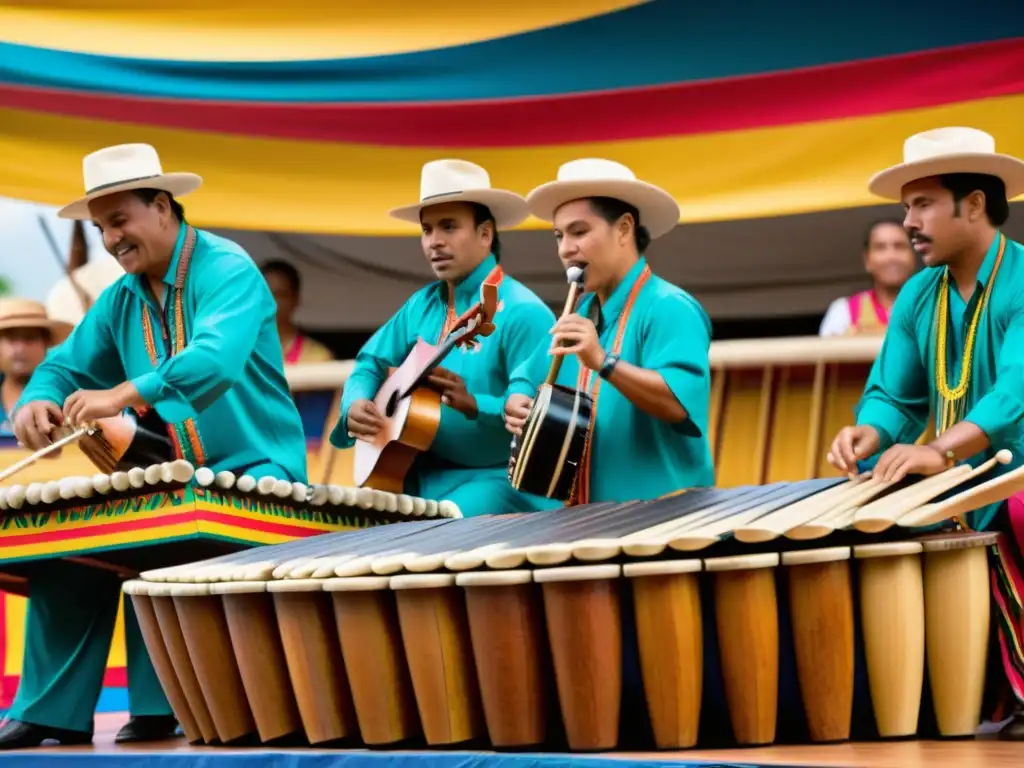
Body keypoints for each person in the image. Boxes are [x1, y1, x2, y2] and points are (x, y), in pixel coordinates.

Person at [3, 143, 308, 748]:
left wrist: (119, 394)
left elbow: (212, 361)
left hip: (261, 470)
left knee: (165, 534)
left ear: (163, 207)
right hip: (175, 477)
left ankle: (161, 704)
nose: (111, 239)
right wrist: (33, 401)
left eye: (120, 220)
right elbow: (62, 366)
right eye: (100, 227)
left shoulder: (229, 268)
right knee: (77, 541)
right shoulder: (121, 297)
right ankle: (48, 710)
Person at [825, 127, 1024, 739]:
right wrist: (869, 432)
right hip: (968, 478)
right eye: (906, 207)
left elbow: (1015, 396)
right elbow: (895, 395)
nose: (909, 221)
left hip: (1010, 482)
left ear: (975, 205)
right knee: (868, 514)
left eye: (923, 204)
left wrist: (938, 449)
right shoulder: (918, 292)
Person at [331, 159, 555, 516]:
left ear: (485, 234)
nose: (434, 242)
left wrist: (476, 404)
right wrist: (354, 404)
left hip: (499, 481)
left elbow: (539, 421)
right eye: (427, 229)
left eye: (449, 227)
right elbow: (369, 362)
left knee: (429, 537)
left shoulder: (523, 311)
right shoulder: (422, 304)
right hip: (416, 473)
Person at [503, 159, 714, 504]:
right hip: (586, 525)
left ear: (624, 229)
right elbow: (526, 374)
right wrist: (516, 400)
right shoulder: (581, 311)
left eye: (579, 231)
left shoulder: (669, 306)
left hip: (664, 521)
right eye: (559, 235)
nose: (564, 249)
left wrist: (603, 361)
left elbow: (679, 402)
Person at [819, 218, 916, 336]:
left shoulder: (935, 307)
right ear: (867, 261)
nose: (891, 257)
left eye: (899, 246)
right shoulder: (844, 312)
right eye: (880, 247)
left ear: (913, 256)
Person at [0, 299, 72, 438]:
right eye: (11, 339)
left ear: (47, 343)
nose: (20, 349)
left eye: (30, 338)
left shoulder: (70, 398)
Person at [260, 260, 334, 365]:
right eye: (266, 294)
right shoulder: (242, 353)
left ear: (295, 299)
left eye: (280, 295)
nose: (271, 302)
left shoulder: (318, 358)